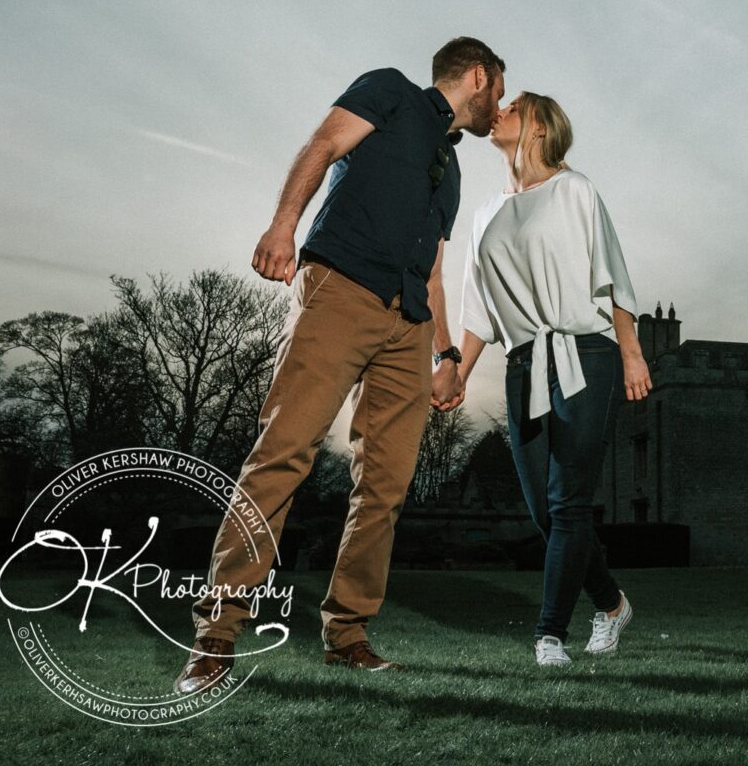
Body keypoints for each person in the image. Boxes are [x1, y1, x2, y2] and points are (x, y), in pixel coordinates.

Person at [174, 37, 505, 695]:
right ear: (477, 77)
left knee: (384, 487)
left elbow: (435, 272)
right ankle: (215, 636)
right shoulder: (389, 91)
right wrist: (281, 226)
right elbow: (321, 147)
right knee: (283, 455)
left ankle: (347, 635)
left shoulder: (455, 169)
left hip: (408, 325)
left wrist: (445, 357)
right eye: (498, 87)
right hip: (340, 292)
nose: (500, 103)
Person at [445, 91, 651, 666]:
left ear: (537, 127)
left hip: (586, 355)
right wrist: (455, 369)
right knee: (545, 511)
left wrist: (631, 352)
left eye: (514, 106)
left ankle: (549, 634)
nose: (501, 110)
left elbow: (613, 276)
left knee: (568, 503)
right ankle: (610, 603)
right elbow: (478, 310)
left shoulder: (576, 190)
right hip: (522, 364)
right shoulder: (485, 214)